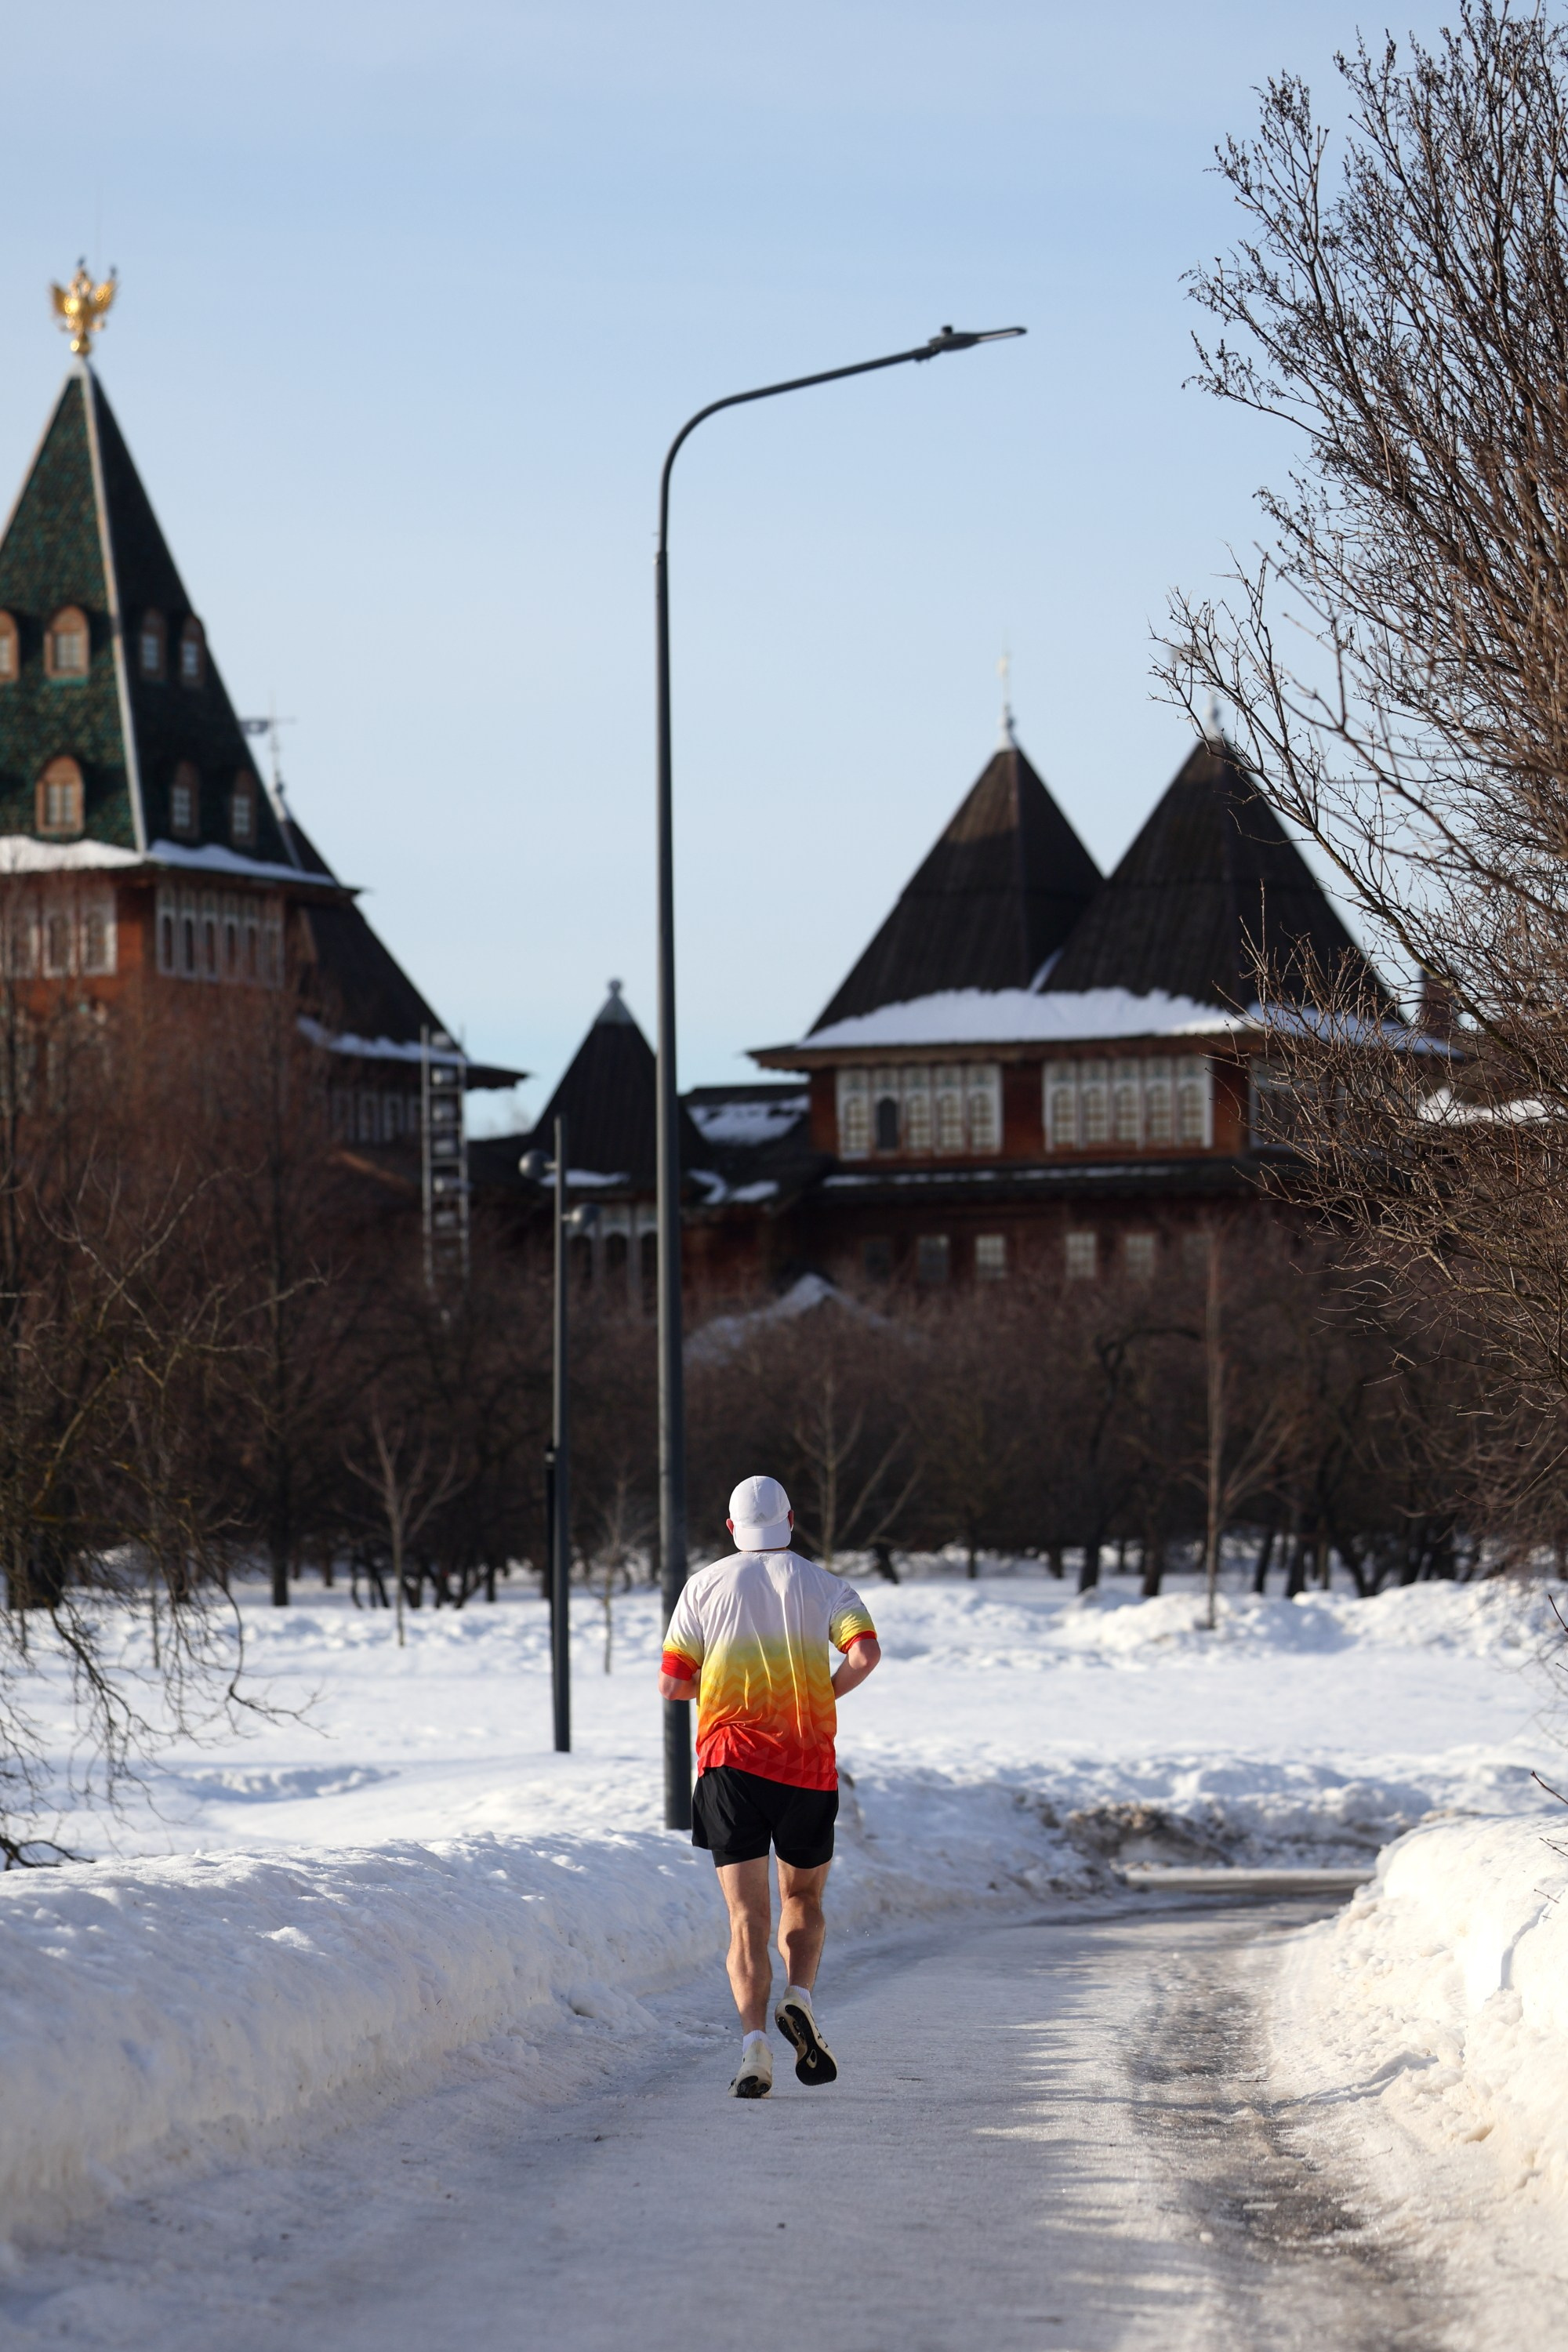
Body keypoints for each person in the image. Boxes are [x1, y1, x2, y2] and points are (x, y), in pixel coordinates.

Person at [658, 1474, 881, 2099]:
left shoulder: (702, 1587)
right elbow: (865, 1654)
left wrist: (723, 1694)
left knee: (745, 1917)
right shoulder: (825, 1585)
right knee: (802, 1897)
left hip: (730, 1766)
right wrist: (819, 1694)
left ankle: (754, 2047)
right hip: (807, 1763)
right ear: (791, 1519)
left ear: (731, 1529)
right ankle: (800, 1997)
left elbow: (673, 1684)